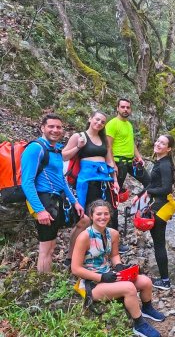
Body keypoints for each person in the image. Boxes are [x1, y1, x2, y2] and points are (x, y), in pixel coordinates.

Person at [71, 200, 164, 337]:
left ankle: (147, 308)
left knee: (145, 282)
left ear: (110, 215)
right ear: (91, 216)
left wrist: (119, 266)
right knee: (129, 288)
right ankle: (139, 324)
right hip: (91, 284)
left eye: (106, 214)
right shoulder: (84, 237)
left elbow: (114, 255)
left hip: (109, 275)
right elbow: (75, 269)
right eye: (98, 214)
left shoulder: (113, 233)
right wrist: (101, 277)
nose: (102, 217)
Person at [21, 114, 85, 273]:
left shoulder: (56, 150)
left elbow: (61, 181)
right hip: (44, 201)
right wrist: (39, 210)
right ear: (42, 128)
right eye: (51, 126)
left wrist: (75, 201)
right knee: (46, 248)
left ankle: (69, 260)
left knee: (84, 221)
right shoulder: (36, 148)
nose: (55, 130)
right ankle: (43, 283)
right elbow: (27, 182)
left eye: (58, 127)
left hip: (57, 200)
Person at [62, 111, 120, 265]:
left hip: (103, 183)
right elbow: (63, 156)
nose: (99, 123)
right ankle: (70, 256)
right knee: (84, 220)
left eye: (102, 122)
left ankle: (95, 254)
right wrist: (78, 147)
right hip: (86, 184)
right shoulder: (79, 137)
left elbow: (109, 162)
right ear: (90, 118)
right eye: (97, 119)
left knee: (102, 218)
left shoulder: (103, 139)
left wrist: (115, 180)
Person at [106, 98, 151, 253]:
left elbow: (131, 143)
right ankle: (114, 240)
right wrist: (112, 165)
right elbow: (108, 146)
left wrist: (138, 156)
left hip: (130, 161)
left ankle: (139, 207)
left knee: (150, 182)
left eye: (128, 107)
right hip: (118, 163)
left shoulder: (129, 124)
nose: (125, 109)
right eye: (123, 107)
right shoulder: (112, 124)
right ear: (117, 108)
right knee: (113, 199)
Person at [136, 135, 175, 290]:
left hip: (161, 207)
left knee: (159, 244)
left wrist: (148, 193)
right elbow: (153, 184)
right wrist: (141, 194)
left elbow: (166, 188)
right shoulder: (160, 162)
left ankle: (165, 281)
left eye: (163, 143)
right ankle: (164, 278)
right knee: (158, 243)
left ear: (169, 149)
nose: (158, 144)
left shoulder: (165, 164)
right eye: (158, 141)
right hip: (158, 204)